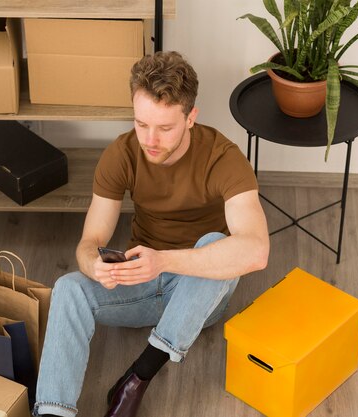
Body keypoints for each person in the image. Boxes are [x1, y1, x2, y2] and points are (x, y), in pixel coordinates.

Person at [33, 51, 269, 417]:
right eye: (142, 124)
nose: (150, 139)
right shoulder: (121, 154)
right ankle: (52, 412)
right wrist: (94, 265)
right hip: (138, 285)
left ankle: (138, 377)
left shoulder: (224, 158)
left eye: (165, 127)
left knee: (217, 244)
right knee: (67, 288)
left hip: (199, 294)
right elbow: (88, 242)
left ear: (191, 117)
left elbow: (256, 252)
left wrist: (163, 261)